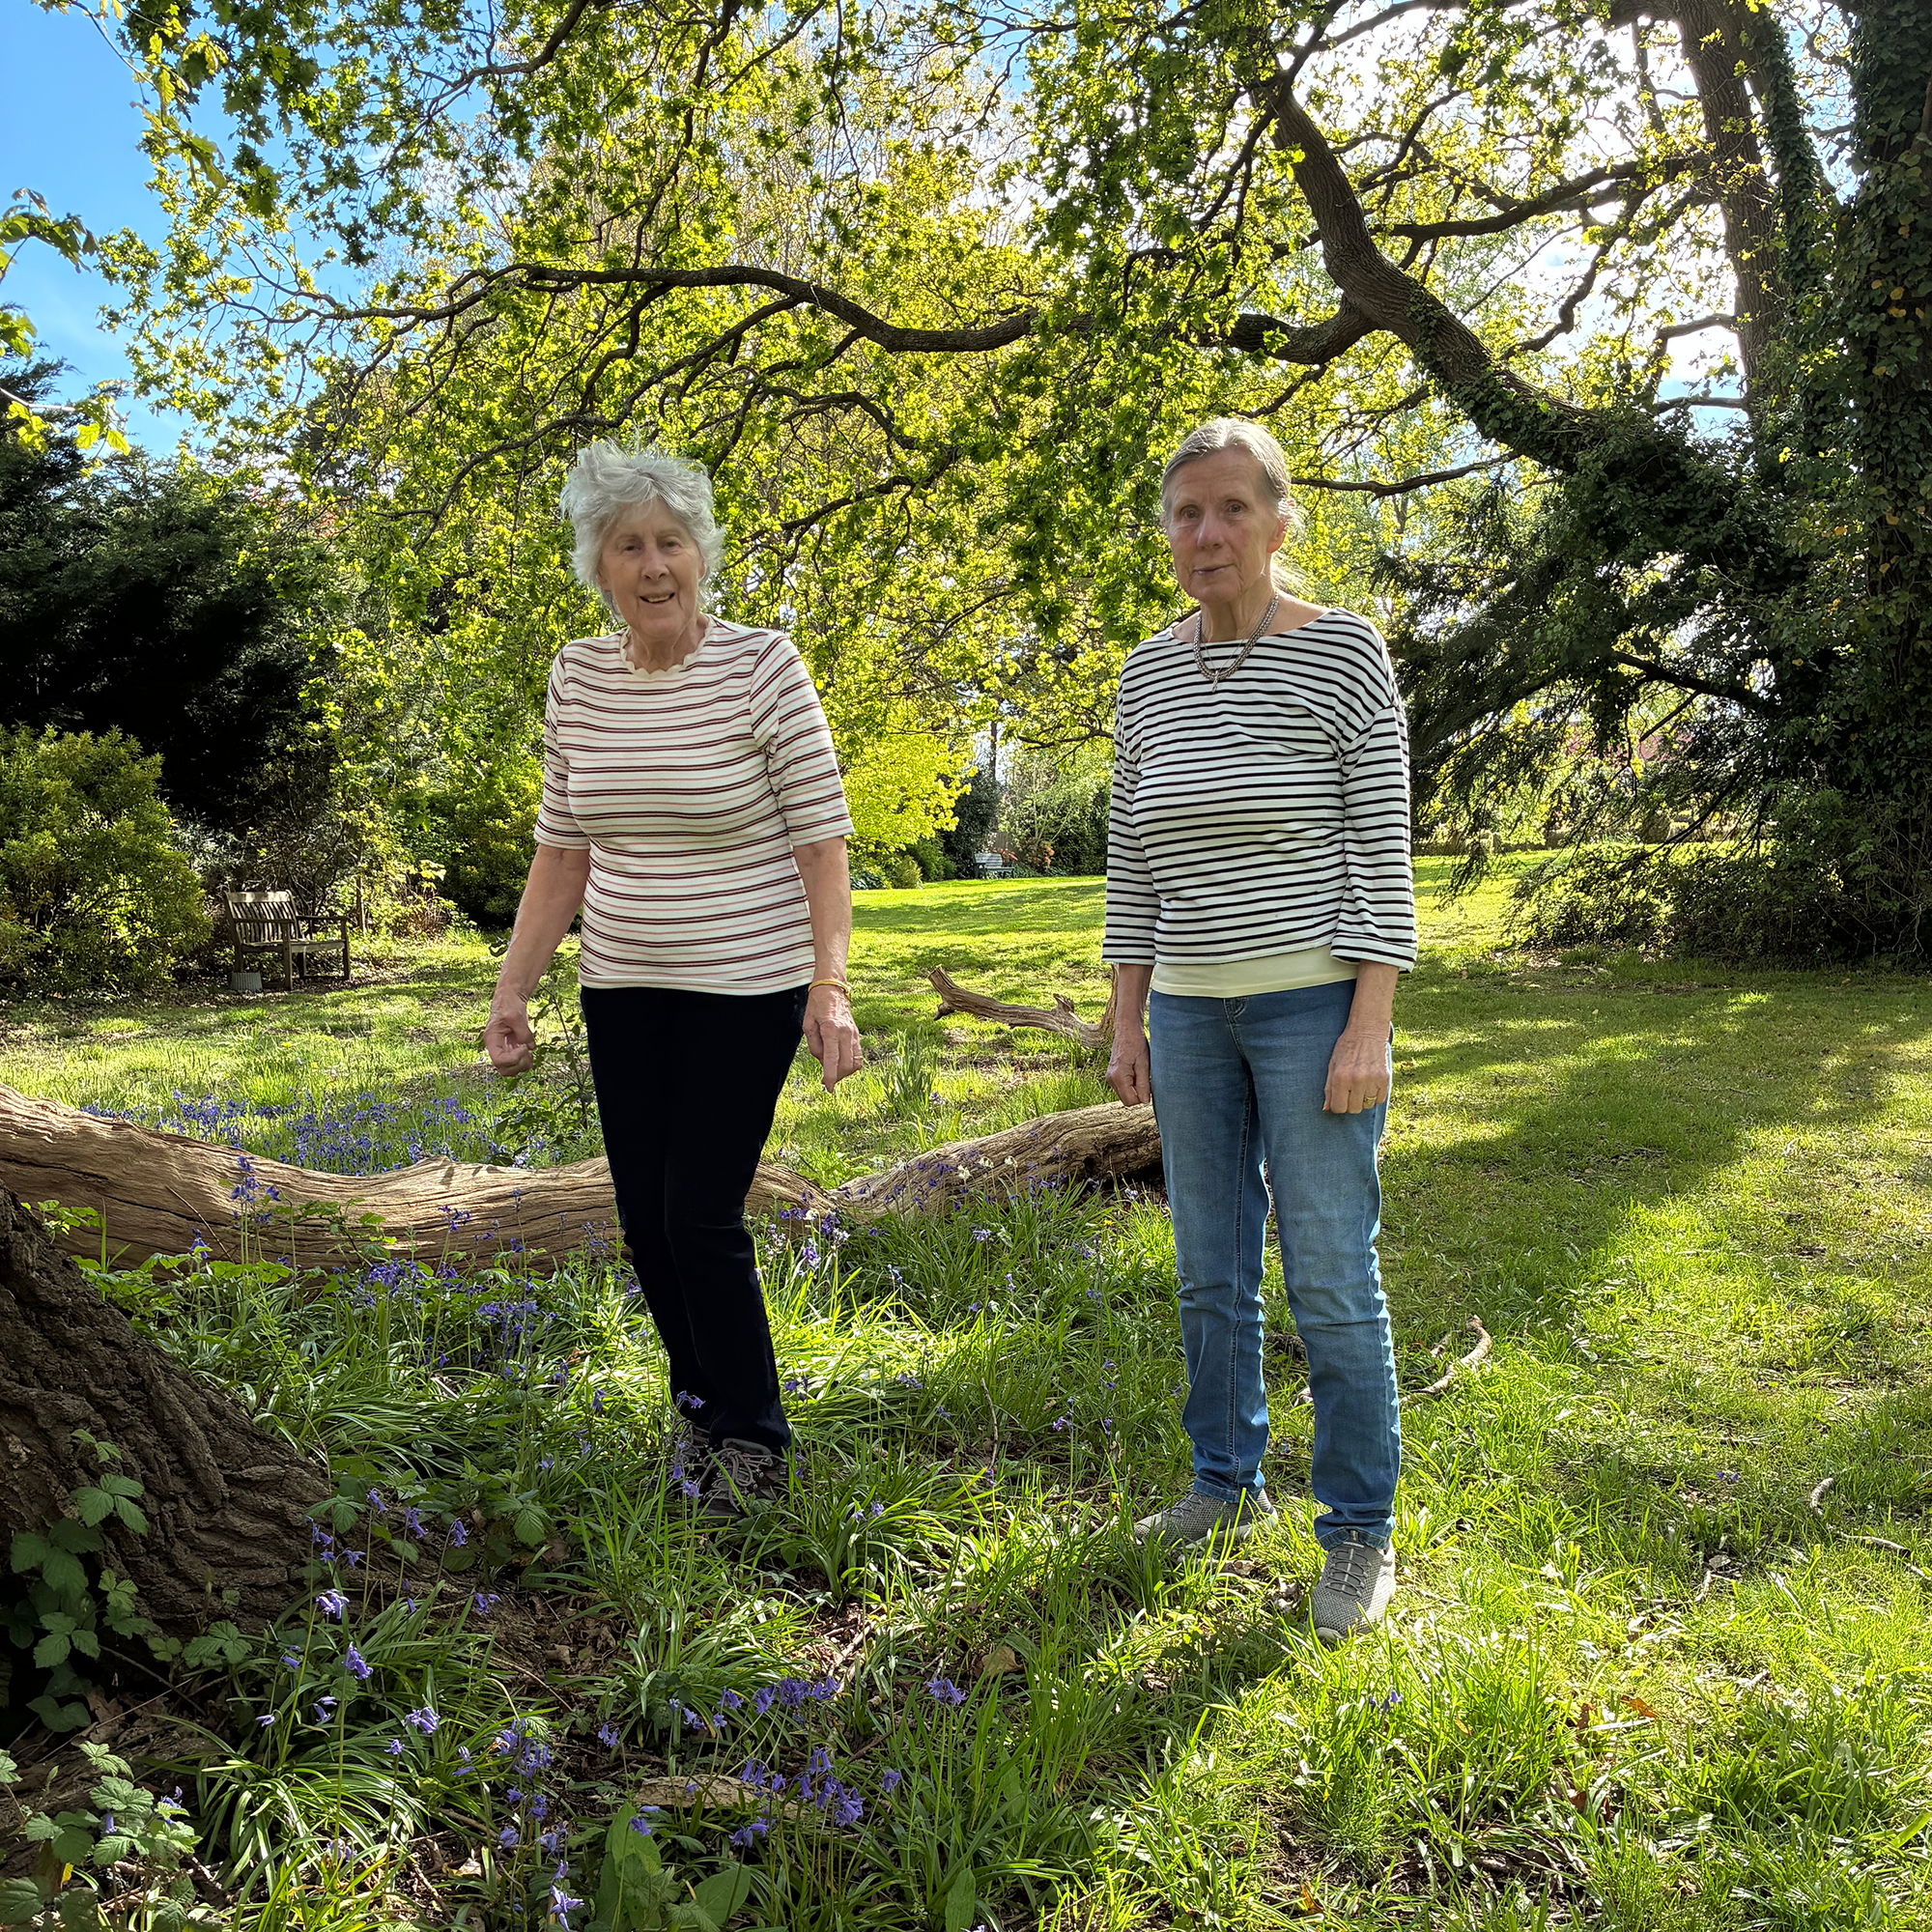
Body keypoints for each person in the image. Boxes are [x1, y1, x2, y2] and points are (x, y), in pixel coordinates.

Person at [484, 442, 863, 1515]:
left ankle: (756, 1435)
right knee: (644, 1218)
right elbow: (562, 851)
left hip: (747, 983)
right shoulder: (577, 676)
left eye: (670, 541)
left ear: (702, 554)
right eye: (627, 546)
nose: (653, 565)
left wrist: (828, 987)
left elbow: (822, 844)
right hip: (622, 986)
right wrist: (513, 988)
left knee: (698, 1210)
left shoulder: (762, 665)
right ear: (596, 568)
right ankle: (696, 1407)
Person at [1102, 417, 1416, 1640]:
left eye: (1232, 508)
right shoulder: (1144, 674)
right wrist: (1125, 1016)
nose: (1207, 533)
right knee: (1207, 1271)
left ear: (1281, 523)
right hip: (1185, 1011)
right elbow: (1131, 855)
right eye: (1185, 514)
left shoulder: (1342, 653)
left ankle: (1355, 1533)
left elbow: (1379, 844)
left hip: (1310, 1005)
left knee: (1331, 1275)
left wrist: (1367, 1021)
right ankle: (1221, 1487)